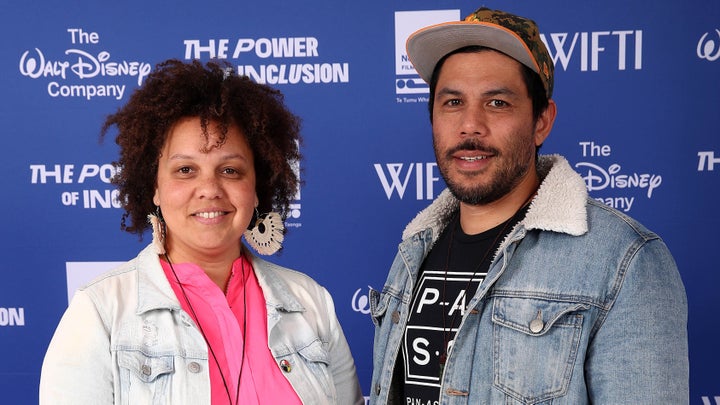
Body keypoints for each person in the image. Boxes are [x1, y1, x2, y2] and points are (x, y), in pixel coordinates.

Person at [370, 7, 688, 404]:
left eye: (497, 103)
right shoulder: (413, 250)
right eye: (452, 102)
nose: (470, 125)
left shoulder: (624, 261)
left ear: (542, 121)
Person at [40, 59, 363, 405]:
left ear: (257, 187)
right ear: (155, 188)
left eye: (230, 170)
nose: (209, 188)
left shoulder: (311, 303)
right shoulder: (100, 313)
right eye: (185, 169)